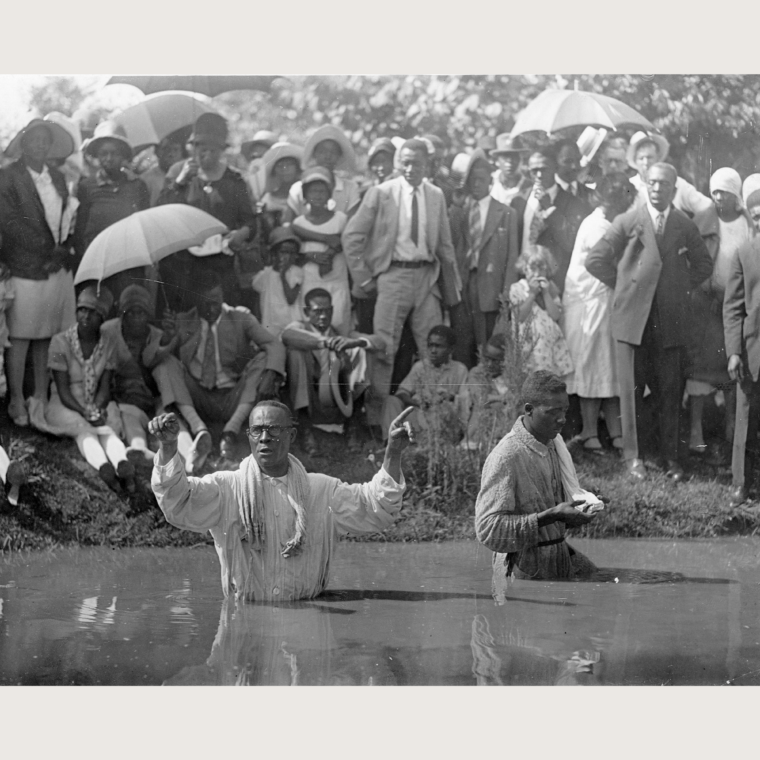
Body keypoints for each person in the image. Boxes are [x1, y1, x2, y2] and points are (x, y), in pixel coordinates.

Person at [149, 399, 414, 601]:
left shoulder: (320, 490)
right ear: (250, 436)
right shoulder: (227, 488)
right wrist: (169, 447)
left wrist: (393, 452)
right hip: (247, 625)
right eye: (258, 430)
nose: (265, 438)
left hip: (307, 627)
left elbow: (376, 508)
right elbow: (178, 504)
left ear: (292, 435)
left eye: (274, 430)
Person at [586, 163, 713, 482]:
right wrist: (626, 287)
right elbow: (595, 260)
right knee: (630, 391)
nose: (658, 189)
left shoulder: (683, 223)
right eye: (652, 183)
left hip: (669, 324)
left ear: (674, 188)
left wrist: (678, 289)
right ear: (645, 185)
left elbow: (703, 264)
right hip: (633, 323)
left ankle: (671, 458)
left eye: (664, 184)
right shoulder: (628, 220)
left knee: (670, 391)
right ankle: (634, 457)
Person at [342, 138, 462, 432]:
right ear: (398, 164)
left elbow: (445, 246)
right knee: (384, 349)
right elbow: (352, 236)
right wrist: (365, 278)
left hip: (426, 277)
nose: (410, 169)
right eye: (405, 162)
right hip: (393, 275)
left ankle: (433, 425)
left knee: (432, 348)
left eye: (416, 163)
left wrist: (451, 291)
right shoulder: (381, 193)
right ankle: (378, 423)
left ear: (427, 165)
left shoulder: (435, 195)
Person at [475, 371, 600, 581]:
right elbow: (488, 530)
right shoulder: (506, 456)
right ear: (529, 410)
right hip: (521, 569)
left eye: (565, 410)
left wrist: (581, 508)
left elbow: (553, 513)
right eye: (552, 412)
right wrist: (552, 516)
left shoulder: (553, 445)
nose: (562, 419)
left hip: (557, 555)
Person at [0, 118, 79, 430]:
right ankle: (17, 398)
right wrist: (48, 251)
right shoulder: (8, 177)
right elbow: (10, 222)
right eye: (34, 139)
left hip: (53, 267)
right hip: (24, 265)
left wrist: (62, 249)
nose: (40, 145)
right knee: (20, 336)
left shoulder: (58, 177)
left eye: (45, 140)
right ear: (24, 143)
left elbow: (66, 217)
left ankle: (40, 396)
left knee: (45, 334)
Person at [171, 272, 286, 462]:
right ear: (196, 301)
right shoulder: (184, 321)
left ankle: (230, 432)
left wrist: (271, 374)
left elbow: (274, 344)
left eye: (215, 301)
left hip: (233, 396)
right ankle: (199, 429)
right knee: (168, 364)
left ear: (223, 297)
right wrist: (170, 337)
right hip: (198, 396)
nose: (211, 308)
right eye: (205, 303)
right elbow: (173, 363)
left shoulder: (240, 317)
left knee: (264, 358)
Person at [101, 284, 212, 474]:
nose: (136, 318)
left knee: (169, 419)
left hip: (153, 397)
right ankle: (141, 450)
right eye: (131, 313)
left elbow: (163, 369)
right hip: (126, 398)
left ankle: (190, 456)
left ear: (148, 315)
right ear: (122, 314)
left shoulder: (157, 335)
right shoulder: (109, 331)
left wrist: (169, 339)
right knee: (129, 416)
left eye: (141, 313)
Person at [562, 172, 636, 453]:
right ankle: (589, 430)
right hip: (589, 304)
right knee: (593, 366)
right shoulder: (595, 226)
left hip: (606, 303)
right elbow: (605, 263)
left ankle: (615, 431)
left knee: (610, 366)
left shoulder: (608, 222)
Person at [158, 113, 256, 310]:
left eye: (213, 150)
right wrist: (180, 182)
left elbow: (250, 221)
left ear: (221, 150)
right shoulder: (179, 172)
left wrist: (241, 234)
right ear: (193, 148)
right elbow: (159, 211)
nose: (207, 155)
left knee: (222, 312)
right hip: (184, 263)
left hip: (221, 262)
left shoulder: (234, 180)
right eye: (202, 149)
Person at [44, 286, 136, 494]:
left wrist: (97, 408)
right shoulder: (59, 342)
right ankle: (103, 466)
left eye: (94, 313)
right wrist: (85, 412)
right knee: (83, 430)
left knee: (106, 428)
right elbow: (62, 388)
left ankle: (122, 463)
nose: (86, 316)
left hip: (95, 400)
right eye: (83, 309)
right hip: (65, 403)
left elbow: (105, 385)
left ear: (102, 318)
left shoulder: (108, 343)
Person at [688, 168, 751, 461]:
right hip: (707, 305)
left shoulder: (748, 222)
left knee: (731, 365)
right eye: (714, 192)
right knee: (701, 370)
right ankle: (696, 432)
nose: (717, 198)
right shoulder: (704, 220)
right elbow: (692, 257)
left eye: (723, 192)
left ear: (736, 194)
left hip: (737, 306)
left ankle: (730, 428)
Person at [281, 288, 385, 452]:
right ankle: (305, 428)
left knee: (361, 350)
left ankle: (353, 425)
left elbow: (380, 342)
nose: (323, 316)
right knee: (296, 353)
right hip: (308, 399)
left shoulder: (340, 332)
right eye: (317, 311)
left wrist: (356, 343)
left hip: (337, 401)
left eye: (328, 310)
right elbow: (287, 335)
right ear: (307, 312)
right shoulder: (300, 327)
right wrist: (324, 341)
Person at [448, 149, 520, 367]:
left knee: (487, 342)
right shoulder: (461, 210)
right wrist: (456, 207)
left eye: (481, 179)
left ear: (491, 179)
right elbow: (449, 242)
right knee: (463, 341)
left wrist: (506, 295)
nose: (476, 184)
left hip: (490, 287)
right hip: (464, 285)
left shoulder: (505, 213)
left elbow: (511, 257)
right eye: (472, 180)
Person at [73, 122, 151, 279]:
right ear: (97, 156)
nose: (109, 158)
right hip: (96, 261)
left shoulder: (137, 185)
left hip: (129, 261)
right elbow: (80, 229)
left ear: (123, 155)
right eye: (103, 153)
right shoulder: (86, 187)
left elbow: (144, 225)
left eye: (115, 153)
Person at [722, 189, 760, 507]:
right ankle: (741, 483)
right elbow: (733, 307)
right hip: (753, 352)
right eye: (757, 217)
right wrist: (734, 350)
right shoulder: (744, 251)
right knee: (745, 419)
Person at [516, 148, 591, 293]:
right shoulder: (519, 200)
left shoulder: (572, 202)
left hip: (554, 282)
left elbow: (570, 242)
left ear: (555, 168)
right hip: (523, 279)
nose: (539, 175)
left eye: (544, 169)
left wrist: (549, 208)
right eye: (534, 170)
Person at [380, 324, 468, 443]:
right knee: (391, 401)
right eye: (430, 345)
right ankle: (391, 442)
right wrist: (417, 402)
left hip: (442, 415)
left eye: (438, 346)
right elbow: (402, 392)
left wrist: (450, 397)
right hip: (419, 412)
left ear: (451, 349)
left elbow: (465, 398)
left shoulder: (459, 369)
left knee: (443, 411)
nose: (433, 350)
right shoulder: (420, 367)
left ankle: (429, 443)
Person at [291, 166, 351, 334]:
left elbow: (346, 242)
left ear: (329, 194)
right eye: (312, 191)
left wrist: (330, 254)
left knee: (338, 325)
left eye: (322, 191)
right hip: (310, 284)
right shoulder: (299, 223)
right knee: (311, 330)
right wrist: (311, 256)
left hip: (336, 282)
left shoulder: (340, 219)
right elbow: (294, 255)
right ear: (305, 195)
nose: (317, 195)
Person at [508, 248, 573, 379]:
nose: (537, 273)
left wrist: (546, 293)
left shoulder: (551, 288)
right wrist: (532, 294)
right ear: (525, 269)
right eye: (533, 268)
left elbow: (556, 315)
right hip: (528, 342)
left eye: (541, 269)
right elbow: (519, 316)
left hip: (549, 342)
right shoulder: (518, 288)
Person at [627, 131, 712, 217]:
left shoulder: (676, 183)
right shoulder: (629, 186)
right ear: (635, 161)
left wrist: (695, 228)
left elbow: (707, 206)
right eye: (641, 158)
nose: (645, 162)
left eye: (650, 157)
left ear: (658, 158)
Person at [285, 125, 361, 221]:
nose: (327, 156)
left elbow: (352, 223)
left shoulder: (350, 188)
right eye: (322, 151)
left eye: (333, 152)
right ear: (314, 154)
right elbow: (287, 223)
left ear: (339, 156)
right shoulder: (298, 188)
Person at [461, 332, 512, 452]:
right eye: (487, 358)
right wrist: (502, 399)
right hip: (479, 429)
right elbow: (480, 398)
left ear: (507, 360)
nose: (489, 364)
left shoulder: (516, 376)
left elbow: (518, 400)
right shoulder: (477, 372)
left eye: (495, 360)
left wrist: (494, 400)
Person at [250, 227, 304, 338]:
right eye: (283, 252)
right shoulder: (265, 274)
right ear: (274, 253)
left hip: (291, 324)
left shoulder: (296, 272)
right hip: (271, 325)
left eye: (292, 253)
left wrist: (283, 275)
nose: (287, 257)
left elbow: (291, 298)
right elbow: (258, 293)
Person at [140, 130, 188, 206]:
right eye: (166, 149)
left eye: (175, 150)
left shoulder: (188, 174)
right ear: (157, 152)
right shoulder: (146, 179)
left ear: (182, 153)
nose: (171, 154)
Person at [554, 138, 595, 207]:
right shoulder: (546, 194)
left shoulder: (590, 195)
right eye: (568, 161)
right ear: (555, 162)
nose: (574, 166)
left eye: (578, 160)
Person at [241, 129, 278, 202]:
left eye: (263, 156)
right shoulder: (243, 183)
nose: (258, 161)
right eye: (254, 157)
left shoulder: (283, 180)